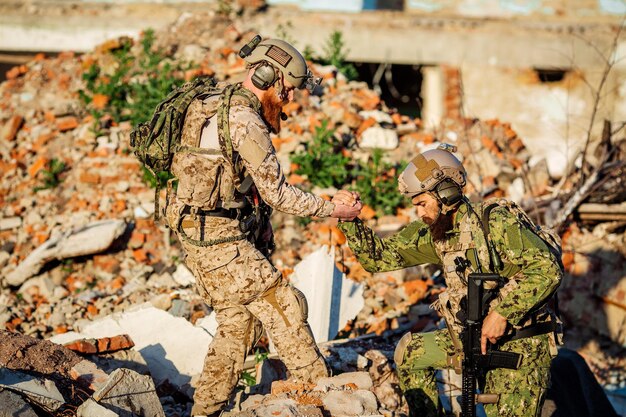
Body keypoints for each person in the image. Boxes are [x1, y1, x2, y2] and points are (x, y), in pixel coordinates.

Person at [165, 37, 362, 417]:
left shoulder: (212, 103)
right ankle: (325, 398)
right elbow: (279, 195)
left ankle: (204, 411)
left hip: (200, 232)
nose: (287, 98)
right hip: (217, 239)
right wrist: (334, 208)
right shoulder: (245, 121)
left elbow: (230, 177)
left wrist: (258, 225)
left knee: (237, 327)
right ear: (270, 75)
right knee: (284, 304)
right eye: (287, 89)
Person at [333, 145, 562, 417]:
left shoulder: (495, 222)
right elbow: (378, 258)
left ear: (446, 192)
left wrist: (501, 313)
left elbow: (547, 268)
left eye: (421, 203)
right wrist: (349, 219)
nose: (418, 213)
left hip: (520, 344)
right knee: (411, 354)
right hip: (470, 338)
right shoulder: (435, 231)